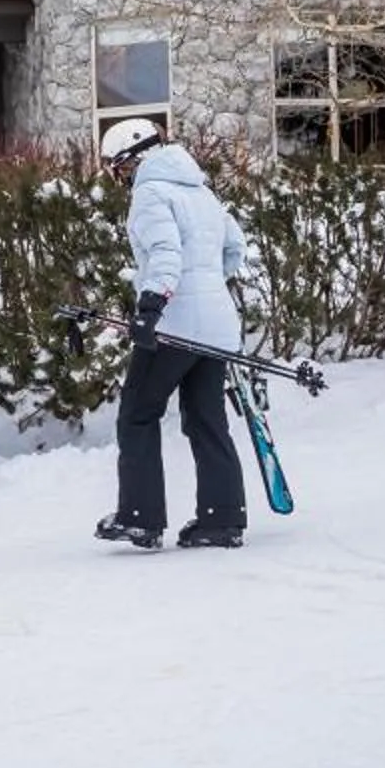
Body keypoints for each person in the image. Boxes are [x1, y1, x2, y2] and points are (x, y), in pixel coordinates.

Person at [92, 119, 251, 551]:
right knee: (206, 419)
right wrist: (208, 286)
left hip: (175, 325)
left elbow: (166, 253)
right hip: (218, 324)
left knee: (138, 414)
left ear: (133, 158)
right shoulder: (201, 191)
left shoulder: (150, 192)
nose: (119, 178)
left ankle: (140, 518)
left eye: (118, 169)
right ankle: (222, 520)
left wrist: (151, 306)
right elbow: (235, 247)